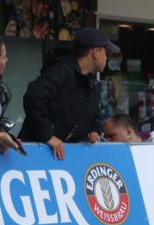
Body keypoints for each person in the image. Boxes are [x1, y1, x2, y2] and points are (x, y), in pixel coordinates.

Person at [19, 27, 117, 160]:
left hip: (63, 156)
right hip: (35, 152)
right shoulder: (61, 71)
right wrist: (47, 135)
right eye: (106, 53)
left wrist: (95, 129)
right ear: (95, 52)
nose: (107, 58)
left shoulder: (90, 81)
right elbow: (34, 97)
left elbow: (94, 112)